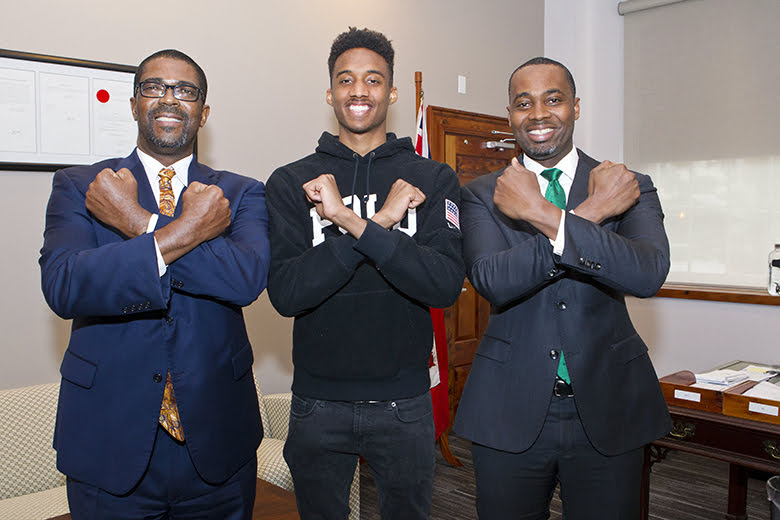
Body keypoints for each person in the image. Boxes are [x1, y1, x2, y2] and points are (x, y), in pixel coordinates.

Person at [39, 49, 270, 519]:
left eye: (185, 91)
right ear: (133, 104)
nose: (169, 98)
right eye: (154, 87)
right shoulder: (83, 185)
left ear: (203, 112)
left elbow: (245, 278)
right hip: (110, 440)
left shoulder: (239, 193)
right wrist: (182, 233)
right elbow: (65, 285)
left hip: (218, 444)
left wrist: (136, 222)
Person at [453, 57, 672, 519]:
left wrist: (543, 216)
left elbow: (647, 273)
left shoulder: (626, 185)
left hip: (609, 405)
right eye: (523, 103)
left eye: (553, 99)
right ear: (509, 114)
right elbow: (495, 280)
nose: (538, 114)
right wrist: (590, 214)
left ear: (575, 106)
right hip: (509, 406)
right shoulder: (481, 194)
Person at [266, 27, 465, 519]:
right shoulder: (292, 181)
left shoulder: (433, 178)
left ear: (391, 93)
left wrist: (349, 221)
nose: (359, 91)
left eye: (373, 80)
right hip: (318, 403)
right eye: (346, 80)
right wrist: (379, 224)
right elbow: (288, 294)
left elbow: (442, 284)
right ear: (329, 92)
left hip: (405, 403)